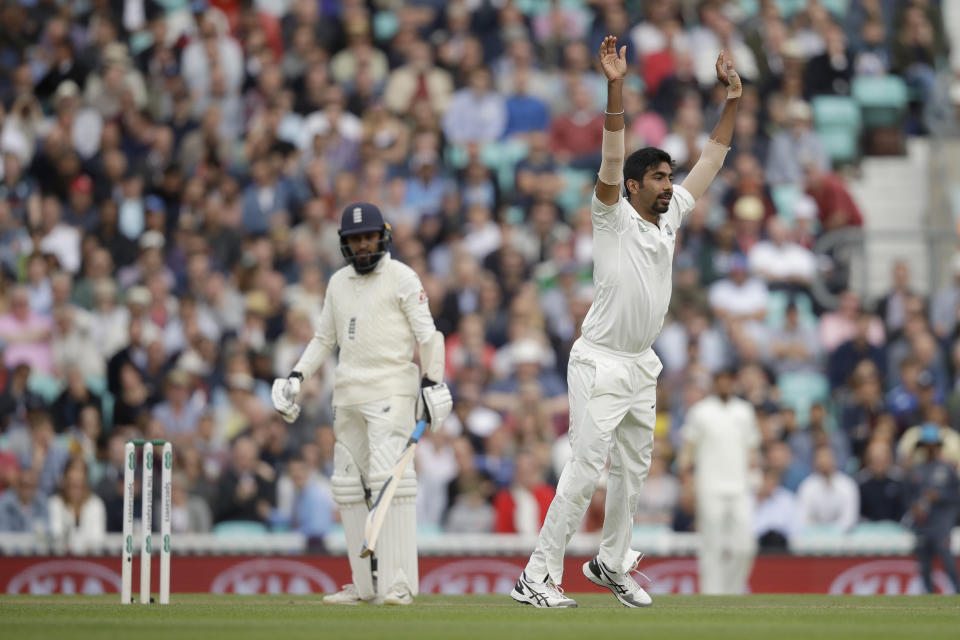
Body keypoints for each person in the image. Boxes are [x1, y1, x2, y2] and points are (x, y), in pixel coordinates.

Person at [511, 37, 741, 609]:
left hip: (642, 363)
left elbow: (711, 158)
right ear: (636, 187)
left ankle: (611, 562)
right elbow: (613, 158)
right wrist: (615, 86)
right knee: (586, 469)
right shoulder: (610, 216)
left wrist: (733, 98)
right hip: (600, 360)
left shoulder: (670, 220)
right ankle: (537, 576)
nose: (670, 184)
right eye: (660, 178)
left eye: (670, 176)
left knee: (633, 473)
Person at [271, 202, 452, 606]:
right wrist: (297, 376)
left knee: (392, 482)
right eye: (355, 240)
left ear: (383, 236)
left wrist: (432, 381)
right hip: (348, 394)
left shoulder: (403, 277)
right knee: (348, 487)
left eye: (368, 237)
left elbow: (429, 336)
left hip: (392, 390)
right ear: (344, 244)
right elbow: (323, 340)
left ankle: (399, 583)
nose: (363, 245)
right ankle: (365, 586)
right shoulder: (337, 283)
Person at [679, 368, 760, 594]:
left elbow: (752, 449)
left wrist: (755, 477)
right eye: (720, 381)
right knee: (711, 547)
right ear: (714, 384)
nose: (724, 385)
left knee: (745, 546)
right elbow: (688, 450)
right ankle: (712, 596)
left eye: (728, 381)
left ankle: (733, 592)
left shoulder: (744, 411)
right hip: (709, 487)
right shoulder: (700, 412)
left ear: (734, 383)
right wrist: (687, 484)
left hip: (740, 487)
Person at [904, 424, 960, 594]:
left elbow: (956, 497)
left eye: (932, 446)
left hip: (942, 521)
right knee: (924, 563)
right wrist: (914, 507)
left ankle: (958, 591)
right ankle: (929, 597)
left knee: (946, 558)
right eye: (926, 446)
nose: (929, 450)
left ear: (937, 447)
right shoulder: (915, 469)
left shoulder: (947, 469)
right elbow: (907, 497)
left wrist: (940, 496)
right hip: (923, 523)